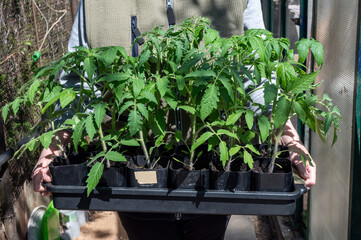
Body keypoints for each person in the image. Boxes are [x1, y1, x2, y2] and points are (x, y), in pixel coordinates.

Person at [32, 0, 316, 239]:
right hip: (133, 167)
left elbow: (257, 74)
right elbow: (78, 82)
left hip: (212, 169)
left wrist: (290, 141)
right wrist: (51, 150)